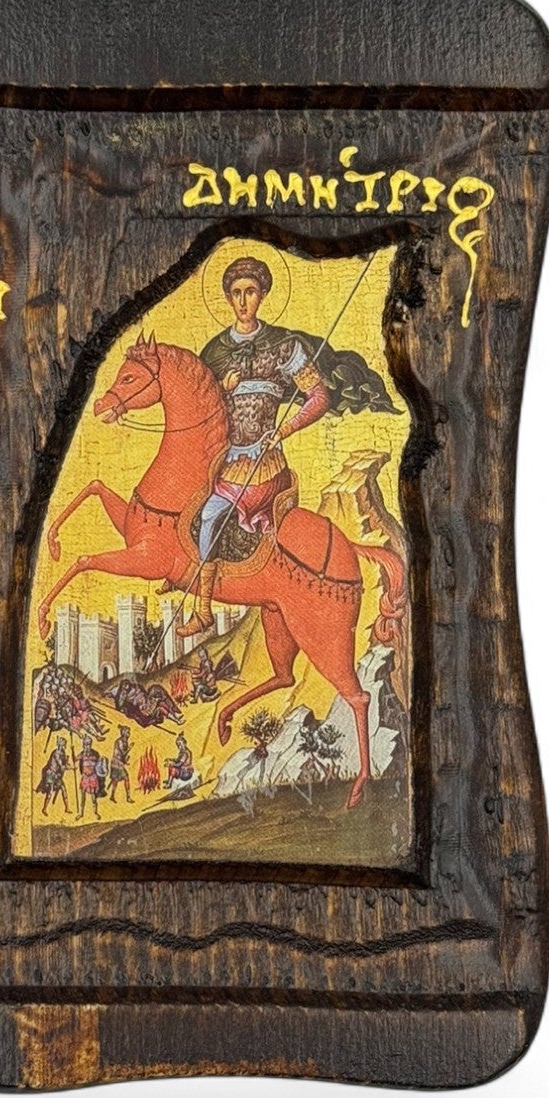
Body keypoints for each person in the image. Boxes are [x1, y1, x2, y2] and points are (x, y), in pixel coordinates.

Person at [181, 255, 398, 634]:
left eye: (250, 292)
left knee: (214, 514)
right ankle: (201, 601)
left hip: (264, 464)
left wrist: (285, 429)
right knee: (192, 513)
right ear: (227, 298)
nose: (243, 301)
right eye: (236, 293)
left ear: (263, 294)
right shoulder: (214, 352)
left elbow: (318, 396)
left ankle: (205, 608)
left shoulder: (284, 347)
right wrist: (220, 388)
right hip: (224, 461)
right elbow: (197, 407)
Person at [76, 733, 107, 819]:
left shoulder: (95, 754)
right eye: (85, 745)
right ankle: (81, 813)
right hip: (85, 777)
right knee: (82, 797)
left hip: (93, 777)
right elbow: (75, 759)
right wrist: (72, 752)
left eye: (88, 744)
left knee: (93, 797)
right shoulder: (82, 754)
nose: (87, 746)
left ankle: (95, 812)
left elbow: (100, 765)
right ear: (83, 745)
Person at [37, 736, 70, 814]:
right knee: (50, 791)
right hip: (51, 774)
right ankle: (44, 808)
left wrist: (67, 763)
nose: (64, 746)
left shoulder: (63, 753)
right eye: (63, 744)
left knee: (63, 789)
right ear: (60, 745)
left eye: (64, 744)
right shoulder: (56, 754)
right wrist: (70, 768)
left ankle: (67, 808)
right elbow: (61, 766)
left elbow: (64, 764)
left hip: (57, 775)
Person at [108, 725, 133, 802]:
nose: (129, 734)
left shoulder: (125, 741)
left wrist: (125, 761)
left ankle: (112, 796)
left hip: (119, 763)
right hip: (116, 763)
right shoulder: (119, 741)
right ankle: (128, 797)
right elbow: (122, 753)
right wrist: (129, 748)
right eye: (127, 732)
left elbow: (123, 756)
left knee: (116, 780)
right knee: (125, 778)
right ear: (124, 733)